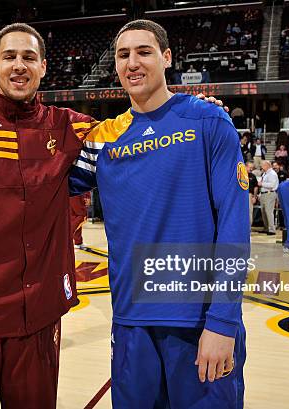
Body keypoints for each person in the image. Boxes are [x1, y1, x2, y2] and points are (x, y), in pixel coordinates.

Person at [0, 23, 226, 409]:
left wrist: (199, 111)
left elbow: (141, 127)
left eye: (29, 58)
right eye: (9, 57)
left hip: (39, 319)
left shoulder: (70, 127)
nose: (19, 66)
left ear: (43, 67)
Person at [69, 20, 249, 408]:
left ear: (167, 58)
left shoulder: (208, 121)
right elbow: (38, 184)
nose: (133, 63)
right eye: (123, 55)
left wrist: (222, 323)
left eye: (144, 52)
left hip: (199, 323)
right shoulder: (103, 138)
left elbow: (234, 227)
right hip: (132, 324)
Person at [258, 160, 279, 235]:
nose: (261, 167)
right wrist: (260, 194)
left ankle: (272, 229)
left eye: (262, 165)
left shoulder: (272, 174)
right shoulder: (265, 173)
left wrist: (262, 184)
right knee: (263, 212)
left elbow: (272, 185)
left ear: (267, 165)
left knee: (269, 212)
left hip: (269, 194)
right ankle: (266, 228)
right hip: (264, 194)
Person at [247, 161, 258, 226]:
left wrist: (254, 197)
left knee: (249, 212)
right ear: (245, 166)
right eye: (250, 167)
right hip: (240, 196)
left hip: (249, 195)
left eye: (252, 168)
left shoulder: (253, 176)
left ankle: (248, 229)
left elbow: (256, 187)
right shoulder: (240, 174)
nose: (251, 169)